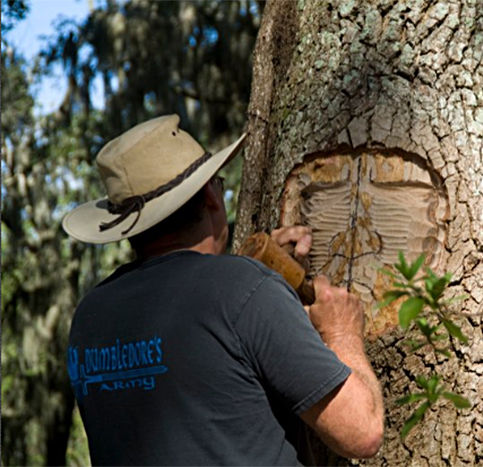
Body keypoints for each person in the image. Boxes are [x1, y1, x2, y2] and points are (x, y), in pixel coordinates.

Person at [62, 114, 384, 466]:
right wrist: (342, 332)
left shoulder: (89, 318)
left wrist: (260, 282)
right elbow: (362, 432)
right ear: (211, 196)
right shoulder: (242, 291)